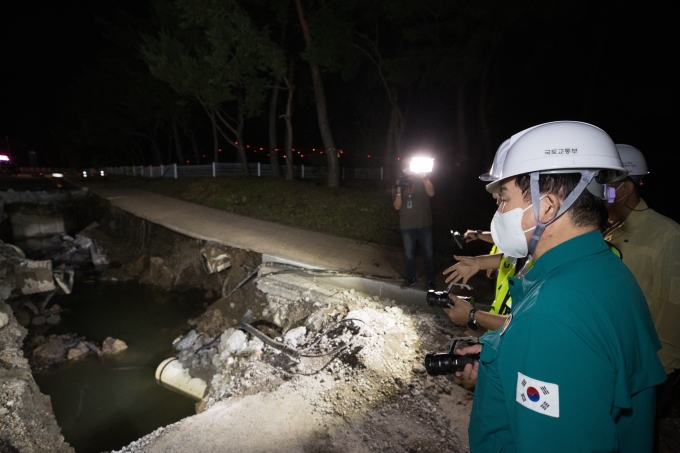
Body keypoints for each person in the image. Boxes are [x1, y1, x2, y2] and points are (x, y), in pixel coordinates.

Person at [455, 121, 666, 453]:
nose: (498, 211)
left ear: (547, 206)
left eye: (503, 198)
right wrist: (510, 358)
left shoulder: (551, 314)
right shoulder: (605, 271)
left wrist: (536, 349)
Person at [602, 144, 680, 443]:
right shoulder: (604, 230)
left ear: (624, 189)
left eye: (605, 185)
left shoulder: (667, 235)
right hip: (607, 364)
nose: (599, 191)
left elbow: (673, 316)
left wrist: (654, 380)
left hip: (642, 374)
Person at [393, 156, 436, 289]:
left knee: (428, 254)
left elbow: (432, 193)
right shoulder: (399, 182)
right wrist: (399, 191)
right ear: (402, 169)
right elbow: (397, 206)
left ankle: (430, 281)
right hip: (407, 225)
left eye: (409, 165)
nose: (407, 168)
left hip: (424, 223)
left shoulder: (422, 180)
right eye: (404, 166)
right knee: (408, 254)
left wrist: (424, 177)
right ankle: (411, 279)